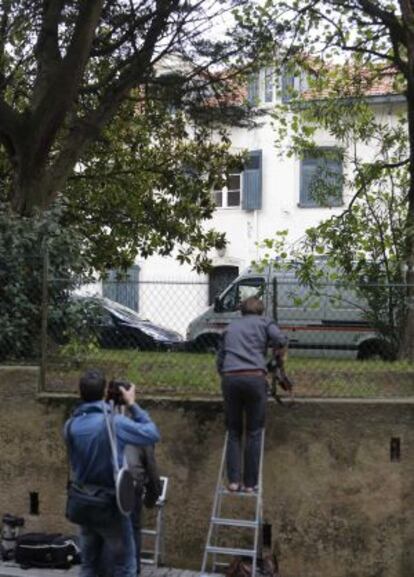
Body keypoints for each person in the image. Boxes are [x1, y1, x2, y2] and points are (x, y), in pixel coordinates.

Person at [64, 369, 160, 577]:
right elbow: (152, 433)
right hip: (109, 504)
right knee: (125, 567)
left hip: (83, 502)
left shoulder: (70, 425)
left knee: (89, 564)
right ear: (102, 393)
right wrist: (132, 404)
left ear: (79, 393)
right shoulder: (114, 423)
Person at [217, 296, 288, 493]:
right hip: (255, 378)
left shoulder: (231, 327)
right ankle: (250, 484)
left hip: (230, 379)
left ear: (242, 311)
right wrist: (278, 358)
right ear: (260, 310)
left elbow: (220, 359)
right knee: (254, 432)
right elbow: (280, 340)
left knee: (233, 431)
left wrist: (226, 375)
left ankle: (233, 481)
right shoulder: (266, 323)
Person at [124, 443, 162, 575]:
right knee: (132, 528)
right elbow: (151, 468)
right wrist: (152, 497)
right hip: (130, 484)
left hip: (107, 484)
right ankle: (132, 569)